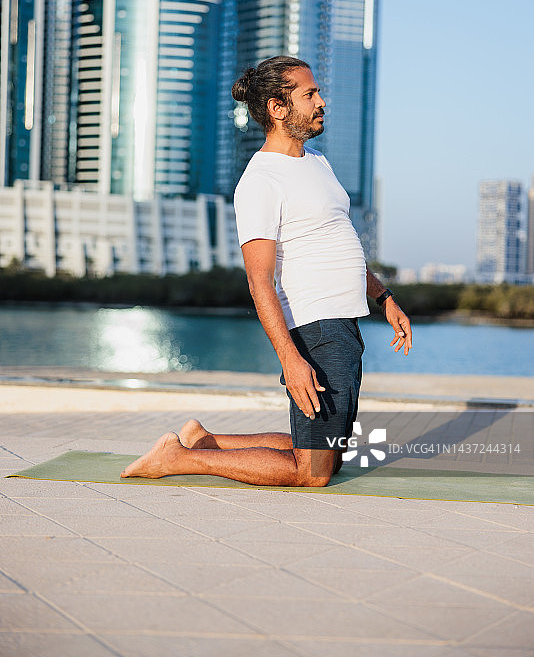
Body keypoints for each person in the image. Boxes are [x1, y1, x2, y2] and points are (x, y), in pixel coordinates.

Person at [121, 56, 412, 487]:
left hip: (344, 324)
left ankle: (204, 440)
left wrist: (384, 298)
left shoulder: (318, 163)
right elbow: (260, 283)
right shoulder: (260, 180)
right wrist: (291, 360)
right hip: (315, 328)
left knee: (329, 453)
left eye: (318, 92)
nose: (322, 102)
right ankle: (177, 458)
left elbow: (339, 245)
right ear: (277, 108)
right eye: (309, 94)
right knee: (312, 473)